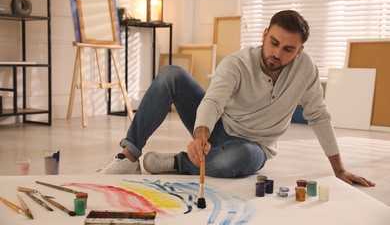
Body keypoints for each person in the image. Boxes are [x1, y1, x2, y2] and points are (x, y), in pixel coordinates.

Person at [98, 10, 375, 187]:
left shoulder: (306, 71)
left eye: (288, 49)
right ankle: (129, 155)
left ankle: (179, 163)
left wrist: (339, 169)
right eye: (274, 42)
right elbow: (213, 101)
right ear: (265, 35)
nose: (278, 53)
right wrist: (201, 135)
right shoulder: (238, 63)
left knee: (241, 157)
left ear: (299, 50)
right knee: (171, 74)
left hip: (254, 146)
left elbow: (319, 115)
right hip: (217, 128)